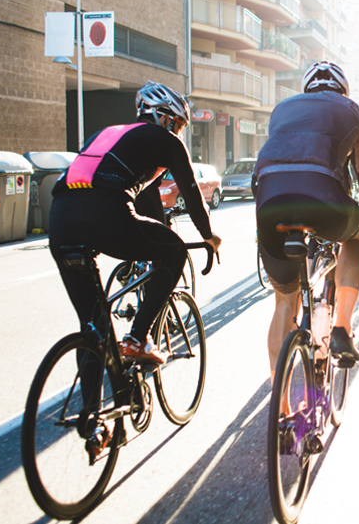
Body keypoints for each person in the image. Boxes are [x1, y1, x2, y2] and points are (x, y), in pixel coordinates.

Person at [49, 82, 221, 456]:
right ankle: (138, 337)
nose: (177, 133)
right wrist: (208, 237)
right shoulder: (164, 140)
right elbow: (191, 193)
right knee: (174, 254)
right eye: (176, 124)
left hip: (60, 218)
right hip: (104, 213)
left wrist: (159, 232)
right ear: (164, 118)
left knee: (93, 324)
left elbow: (146, 206)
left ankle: (93, 420)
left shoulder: (111, 135)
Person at [253, 61, 359, 373]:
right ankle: (341, 328)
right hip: (323, 199)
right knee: (354, 235)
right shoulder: (357, 114)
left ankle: (281, 410)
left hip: (270, 201)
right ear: (343, 90)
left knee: (283, 303)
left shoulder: (282, 109)